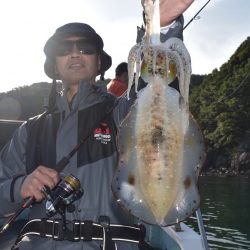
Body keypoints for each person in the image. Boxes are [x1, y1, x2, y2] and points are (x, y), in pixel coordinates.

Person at [0, 1, 194, 249]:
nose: (75, 52)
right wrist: (20, 186)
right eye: (64, 48)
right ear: (54, 66)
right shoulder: (29, 130)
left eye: (86, 47)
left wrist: (159, 28)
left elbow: (159, 90)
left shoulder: (124, 112)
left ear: (99, 62)